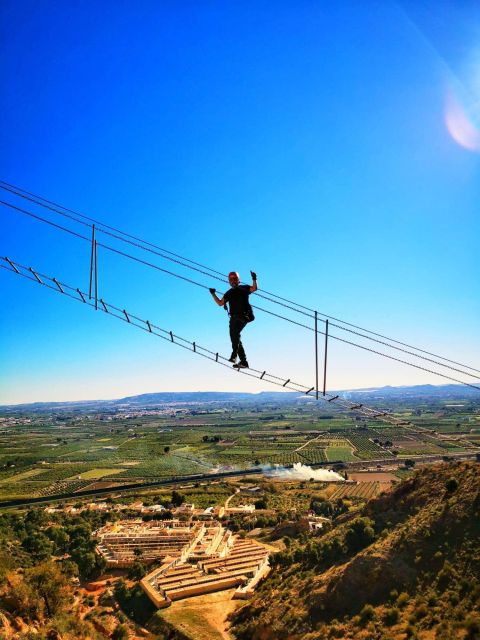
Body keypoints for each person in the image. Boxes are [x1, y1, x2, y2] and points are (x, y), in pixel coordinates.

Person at [209, 270, 257, 369]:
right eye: (231, 280)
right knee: (234, 337)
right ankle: (243, 362)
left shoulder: (243, 288)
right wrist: (213, 294)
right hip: (233, 319)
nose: (233, 281)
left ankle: (234, 355)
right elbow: (220, 303)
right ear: (229, 282)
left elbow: (254, 288)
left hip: (243, 316)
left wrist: (254, 279)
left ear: (238, 280)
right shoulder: (229, 293)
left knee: (235, 335)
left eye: (235, 279)